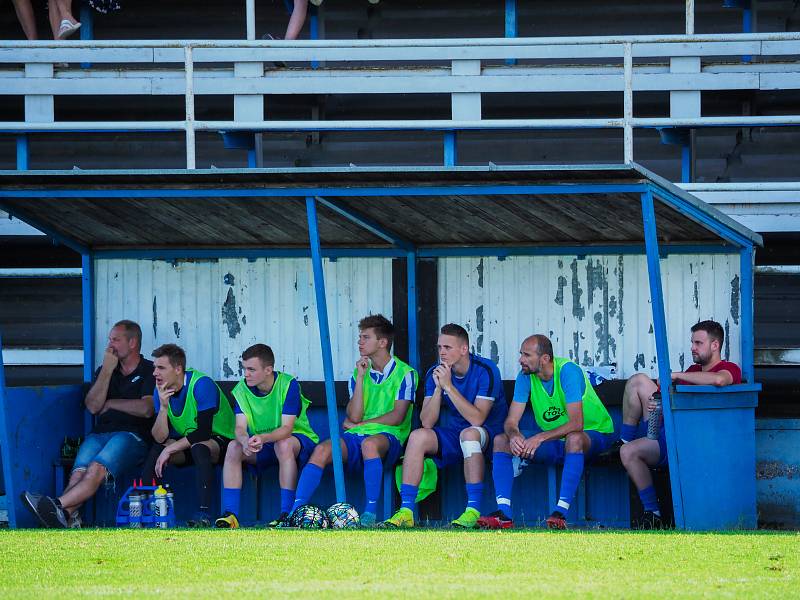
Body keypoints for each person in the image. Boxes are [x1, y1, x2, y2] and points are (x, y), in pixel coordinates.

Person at [21, 320, 155, 528]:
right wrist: (107, 372)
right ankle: (64, 515)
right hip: (100, 433)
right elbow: (93, 406)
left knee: (96, 468)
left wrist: (110, 403)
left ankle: (55, 505)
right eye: (109, 339)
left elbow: (146, 409)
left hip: (132, 436)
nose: (110, 345)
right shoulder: (105, 370)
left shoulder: (149, 370)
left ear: (132, 342)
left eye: (116, 340)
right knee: (78, 472)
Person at [290, 314, 417, 526]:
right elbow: (354, 416)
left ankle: (369, 514)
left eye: (366, 337)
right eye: (360, 337)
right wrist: (359, 378)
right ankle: (294, 514)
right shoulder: (359, 372)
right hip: (357, 435)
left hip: (389, 438)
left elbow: (397, 417)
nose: (360, 342)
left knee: (369, 444)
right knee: (322, 450)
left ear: (383, 342)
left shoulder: (405, 373)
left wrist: (361, 426)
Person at [478, 334, 616, 530]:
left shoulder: (567, 371)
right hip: (556, 441)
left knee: (574, 439)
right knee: (501, 440)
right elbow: (511, 421)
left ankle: (560, 513)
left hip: (595, 435)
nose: (521, 360)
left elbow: (577, 423)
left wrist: (539, 437)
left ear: (545, 358)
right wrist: (514, 435)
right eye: (521, 354)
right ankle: (504, 515)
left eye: (527, 355)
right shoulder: (525, 376)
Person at [618, 319, 742, 529]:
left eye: (698, 343)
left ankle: (652, 509)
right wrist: (656, 404)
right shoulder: (692, 369)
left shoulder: (729, 368)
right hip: (669, 432)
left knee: (629, 453)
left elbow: (720, 380)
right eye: (692, 342)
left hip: (694, 444)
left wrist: (676, 375)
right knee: (638, 381)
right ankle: (653, 512)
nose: (692, 347)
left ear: (715, 345)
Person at [383, 323, 507, 529]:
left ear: (464, 349)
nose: (442, 352)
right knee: (418, 436)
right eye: (440, 347)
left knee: (469, 434)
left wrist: (449, 386)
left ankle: (472, 511)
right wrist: (440, 388)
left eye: (448, 348)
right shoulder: (437, 371)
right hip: (456, 432)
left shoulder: (486, 370)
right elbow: (427, 421)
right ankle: (406, 510)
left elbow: (477, 419)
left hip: (491, 434)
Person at [215, 344, 319, 529]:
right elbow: (239, 427)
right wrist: (244, 440)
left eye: (251, 369)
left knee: (283, 445)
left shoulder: (288, 385)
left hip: (298, 439)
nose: (246, 373)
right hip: (263, 443)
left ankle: (287, 513)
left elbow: (287, 429)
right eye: (244, 368)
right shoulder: (241, 389)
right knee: (233, 447)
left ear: (268, 370)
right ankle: (231, 515)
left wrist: (262, 438)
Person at [141, 344, 235, 527]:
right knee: (158, 448)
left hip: (223, 442)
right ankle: (146, 512)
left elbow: (203, 432)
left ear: (177, 369)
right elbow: (159, 437)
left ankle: (203, 514)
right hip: (190, 442)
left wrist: (170, 449)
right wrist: (163, 408)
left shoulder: (201, 384)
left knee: (199, 447)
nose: (154, 373)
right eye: (154, 368)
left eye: (161, 368)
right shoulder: (159, 390)